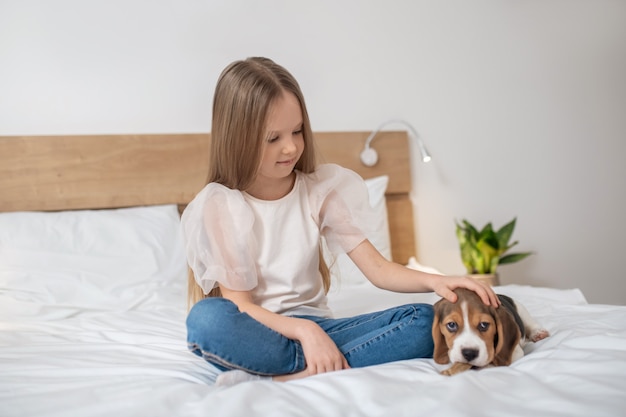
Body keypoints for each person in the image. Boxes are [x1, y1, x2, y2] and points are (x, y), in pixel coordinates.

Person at [182, 57, 500, 386]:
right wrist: (305, 332)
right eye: (273, 138)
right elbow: (240, 305)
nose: (291, 146)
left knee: (422, 320)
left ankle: (282, 375)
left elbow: (378, 270)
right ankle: (311, 361)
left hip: (324, 330)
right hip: (262, 332)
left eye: (297, 130)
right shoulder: (221, 205)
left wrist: (437, 281)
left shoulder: (319, 191)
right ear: (238, 139)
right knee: (206, 320)